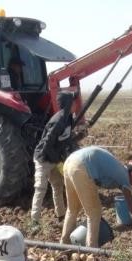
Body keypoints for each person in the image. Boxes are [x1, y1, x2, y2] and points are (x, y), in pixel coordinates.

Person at [60, 146, 132, 248]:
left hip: (69, 162)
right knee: (94, 212)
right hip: (82, 167)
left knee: (72, 209)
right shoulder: (124, 178)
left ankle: (63, 245)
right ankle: (91, 249)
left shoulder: (118, 169)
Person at [31, 91, 79, 220]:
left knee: (58, 186)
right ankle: (34, 220)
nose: (76, 104)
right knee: (40, 188)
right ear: (68, 103)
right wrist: (56, 159)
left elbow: (67, 140)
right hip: (43, 158)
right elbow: (47, 143)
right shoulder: (58, 121)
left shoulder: (68, 119)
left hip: (54, 158)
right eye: (73, 102)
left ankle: (61, 215)